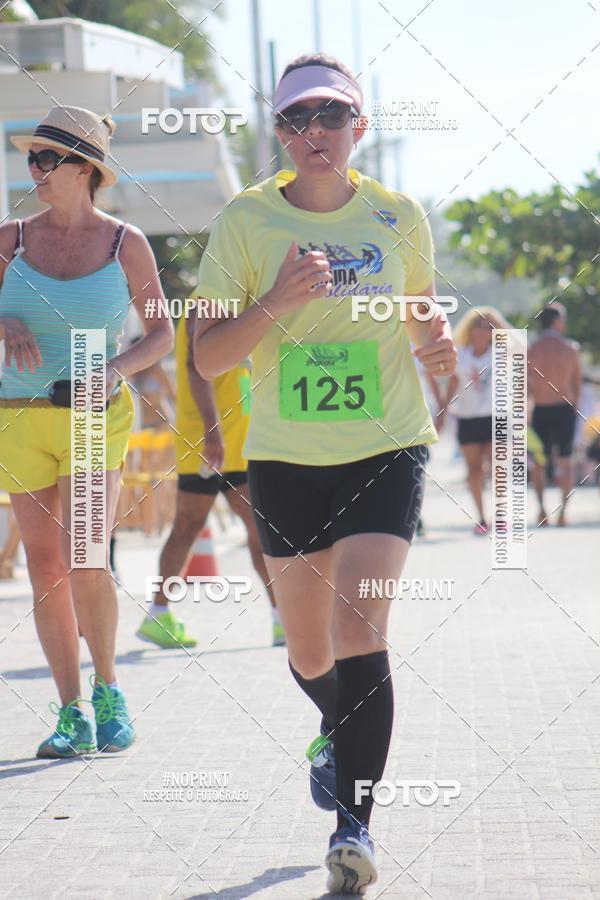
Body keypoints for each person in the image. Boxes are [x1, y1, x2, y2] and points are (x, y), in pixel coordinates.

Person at [192, 54, 456, 895]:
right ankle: (335, 735)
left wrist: (436, 347)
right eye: (297, 119)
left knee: (359, 632)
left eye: (332, 117)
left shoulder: (397, 214)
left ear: (359, 127)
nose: (315, 133)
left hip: (386, 446)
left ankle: (356, 827)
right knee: (308, 650)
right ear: (278, 132)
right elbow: (208, 355)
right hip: (285, 457)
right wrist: (278, 300)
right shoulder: (244, 221)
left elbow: (419, 317)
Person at [0, 106, 173, 757]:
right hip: (16, 416)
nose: (35, 170)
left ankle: (108, 689)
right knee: (45, 567)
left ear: (84, 169)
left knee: (86, 557)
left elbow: (161, 333)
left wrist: (116, 369)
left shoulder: (124, 243)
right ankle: (70, 710)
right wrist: (3, 326)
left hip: (94, 418)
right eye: (32, 159)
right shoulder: (9, 239)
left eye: (48, 159)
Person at [137, 313, 283, 649]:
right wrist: (212, 430)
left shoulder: (242, 299)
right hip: (208, 442)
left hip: (240, 442)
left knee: (259, 529)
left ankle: (281, 617)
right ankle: (159, 613)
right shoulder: (205, 302)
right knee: (189, 527)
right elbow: (195, 368)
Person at [440, 307, 510, 535]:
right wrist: (441, 412)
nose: (483, 331)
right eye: (479, 326)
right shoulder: (460, 354)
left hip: (495, 416)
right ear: (470, 329)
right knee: (474, 470)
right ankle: (481, 517)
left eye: (489, 327)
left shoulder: (502, 353)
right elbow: (452, 384)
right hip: (468, 417)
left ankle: (500, 517)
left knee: (497, 468)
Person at [528, 303, 582, 526]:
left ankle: (542, 510)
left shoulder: (532, 349)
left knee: (539, 462)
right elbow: (576, 385)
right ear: (558, 321)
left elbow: (526, 386)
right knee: (566, 461)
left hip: (540, 409)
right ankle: (563, 512)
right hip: (564, 408)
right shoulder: (570, 348)